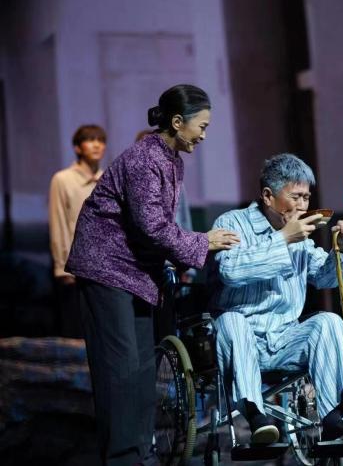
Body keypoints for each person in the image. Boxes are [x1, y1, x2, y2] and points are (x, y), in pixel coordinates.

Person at [65, 84, 239, 466]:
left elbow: (158, 228)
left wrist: (181, 258)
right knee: (120, 369)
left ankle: (143, 453)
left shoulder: (171, 160)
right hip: (106, 267)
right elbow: (151, 226)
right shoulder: (145, 159)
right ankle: (123, 457)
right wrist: (202, 242)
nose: (204, 135)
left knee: (143, 368)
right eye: (201, 126)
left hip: (138, 271)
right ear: (177, 122)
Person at [208, 153, 343, 445]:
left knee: (328, 322)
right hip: (242, 339)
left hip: (284, 339)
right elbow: (230, 271)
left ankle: (334, 418)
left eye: (306, 197)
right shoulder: (232, 222)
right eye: (295, 197)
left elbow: (324, 278)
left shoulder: (300, 237)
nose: (302, 205)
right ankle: (256, 418)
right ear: (268, 196)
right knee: (232, 320)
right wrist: (283, 238)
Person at [48, 124, 106, 338]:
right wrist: (62, 267)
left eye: (100, 140)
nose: (97, 145)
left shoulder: (107, 178)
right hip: (76, 266)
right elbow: (59, 223)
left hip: (106, 266)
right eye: (90, 140)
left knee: (102, 329)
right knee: (76, 330)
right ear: (78, 147)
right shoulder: (63, 179)